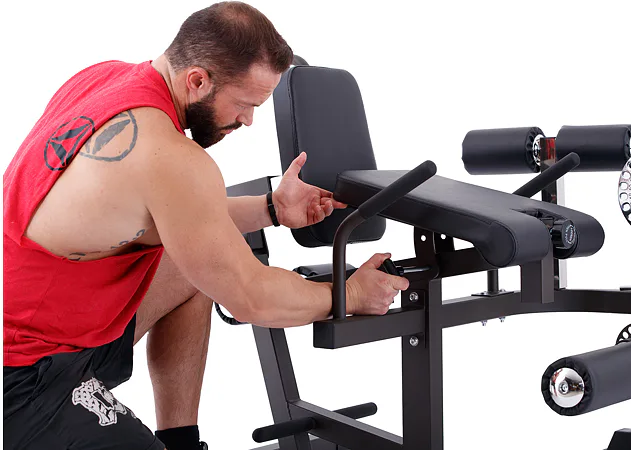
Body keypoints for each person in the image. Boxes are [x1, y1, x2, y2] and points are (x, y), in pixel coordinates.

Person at [2, 2, 409, 449]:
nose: (248, 120)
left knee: (195, 267)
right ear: (197, 80)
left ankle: (180, 442)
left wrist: (272, 209)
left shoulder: (106, 79)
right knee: (220, 270)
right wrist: (350, 295)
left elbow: (169, 215)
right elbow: (252, 297)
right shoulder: (170, 157)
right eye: (246, 104)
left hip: (54, 326)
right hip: (22, 377)